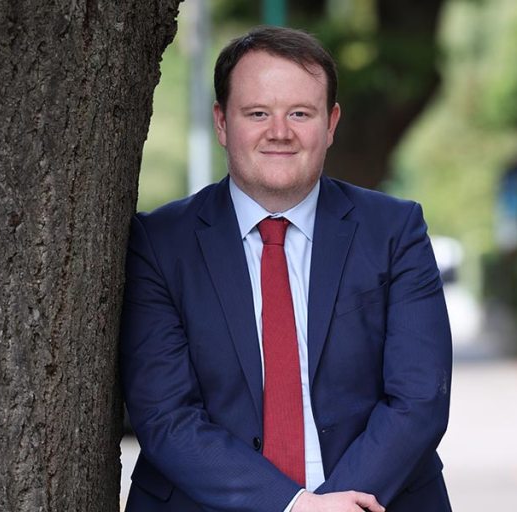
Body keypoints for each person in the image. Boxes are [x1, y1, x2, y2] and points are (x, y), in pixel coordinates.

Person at [120, 25, 452, 512]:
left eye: (300, 113)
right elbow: (165, 415)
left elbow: (420, 398)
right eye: (257, 113)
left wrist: (336, 507)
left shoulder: (395, 230)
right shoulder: (160, 243)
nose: (280, 131)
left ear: (331, 123)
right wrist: (293, 505)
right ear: (221, 122)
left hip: (372, 500)